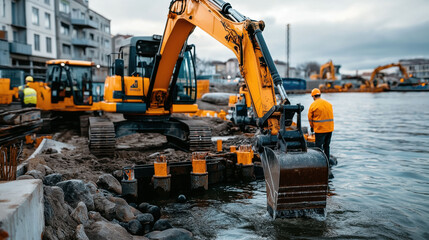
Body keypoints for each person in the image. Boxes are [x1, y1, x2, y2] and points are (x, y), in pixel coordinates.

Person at [308, 88, 334, 162]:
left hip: (320, 129)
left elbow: (310, 118)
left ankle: (319, 162)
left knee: (318, 147)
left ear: (313, 96)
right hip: (329, 129)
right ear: (320, 94)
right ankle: (327, 161)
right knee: (327, 146)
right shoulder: (328, 104)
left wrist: (312, 127)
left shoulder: (313, 105)